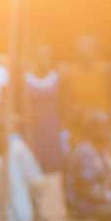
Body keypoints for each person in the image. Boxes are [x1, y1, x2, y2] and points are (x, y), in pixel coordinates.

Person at [23, 43, 63, 173]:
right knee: (35, 160)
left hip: (51, 124)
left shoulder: (57, 76)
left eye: (46, 55)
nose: (43, 58)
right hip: (34, 124)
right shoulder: (26, 78)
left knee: (52, 163)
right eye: (40, 55)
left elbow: (63, 103)